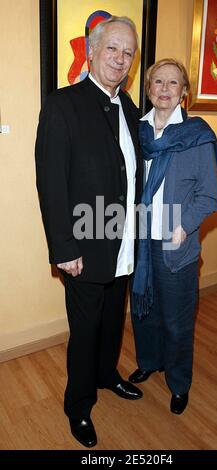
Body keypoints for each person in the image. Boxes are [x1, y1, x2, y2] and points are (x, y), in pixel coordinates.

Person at [35, 16, 144, 448]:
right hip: (84, 243)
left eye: (128, 52)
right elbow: (51, 182)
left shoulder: (130, 107)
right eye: (113, 48)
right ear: (92, 50)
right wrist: (64, 247)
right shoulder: (62, 104)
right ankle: (78, 406)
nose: (120, 58)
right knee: (85, 329)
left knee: (114, 319)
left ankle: (106, 376)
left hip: (123, 240)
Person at [129, 58, 217, 415]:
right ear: (149, 89)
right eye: (158, 82)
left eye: (173, 83)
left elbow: (209, 196)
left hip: (176, 242)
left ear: (184, 92)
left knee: (177, 319)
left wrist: (181, 228)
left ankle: (179, 383)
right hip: (141, 240)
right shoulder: (138, 133)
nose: (164, 89)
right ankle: (149, 361)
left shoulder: (196, 135)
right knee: (144, 310)